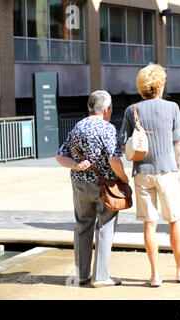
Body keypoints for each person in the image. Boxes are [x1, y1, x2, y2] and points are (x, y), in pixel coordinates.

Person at [119, 63, 180, 287]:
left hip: (142, 173)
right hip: (167, 171)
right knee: (175, 221)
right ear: (160, 84)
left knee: (149, 224)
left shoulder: (131, 110)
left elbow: (122, 142)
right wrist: (178, 170)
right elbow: (179, 143)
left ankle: (155, 275)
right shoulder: (172, 107)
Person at [56, 90, 128, 288]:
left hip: (79, 184)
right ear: (106, 109)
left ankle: (81, 275)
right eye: (111, 107)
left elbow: (60, 156)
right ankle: (101, 276)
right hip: (104, 186)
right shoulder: (108, 128)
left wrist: (75, 165)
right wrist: (123, 178)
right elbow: (114, 159)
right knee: (105, 226)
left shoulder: (77, 127)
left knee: (82, 225)